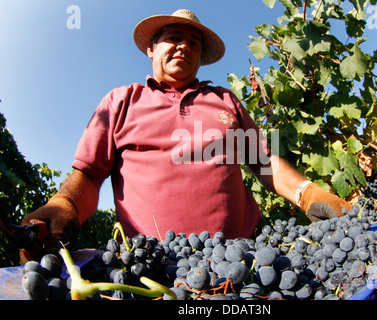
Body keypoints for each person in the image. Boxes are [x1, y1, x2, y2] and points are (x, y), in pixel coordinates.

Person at [20, 9, 351, 263]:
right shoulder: (121, 101)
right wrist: (65, 203)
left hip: (237, 265)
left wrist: (307, 192)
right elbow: (90, 175)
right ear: (151, 48)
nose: (185, 46)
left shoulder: (225, 100)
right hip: (149, 269)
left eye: (194, 43)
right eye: (174, 37)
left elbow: (264, 161)